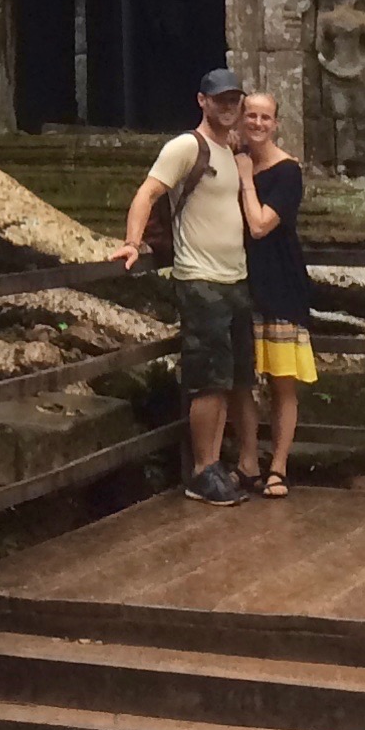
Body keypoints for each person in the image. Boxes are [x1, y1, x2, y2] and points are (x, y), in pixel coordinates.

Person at [119, 65, 259, 505]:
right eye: (220, 99)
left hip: (234, 278)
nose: (228, 106)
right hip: (200, 279)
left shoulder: (230, 151)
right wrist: (132, 243)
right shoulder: (186, 146)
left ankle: (215, 464)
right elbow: (147, 193)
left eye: (234, 99)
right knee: (208, 379)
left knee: (231, 378)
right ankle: (202, 469)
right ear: (202, 101)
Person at [232, 90, 315, 498]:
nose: (258, 123)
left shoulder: (287, 172)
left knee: (282, 381)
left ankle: (278, 466)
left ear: (276, 123)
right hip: (243, 282)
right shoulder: (234, 161)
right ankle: (247, 461)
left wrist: (246, 178)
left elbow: (261, 225)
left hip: (281, 283)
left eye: (265, 117)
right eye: (251, 115)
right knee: (241, 380)